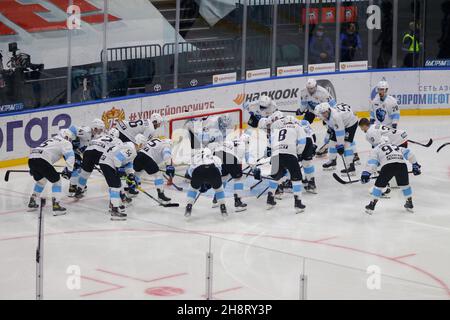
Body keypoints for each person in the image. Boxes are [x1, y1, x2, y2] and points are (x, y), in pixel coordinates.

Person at [362, 129, 422, 214]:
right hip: (401, 165)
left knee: (378, 186)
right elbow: (409, 153)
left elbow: (373, 163)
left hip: (388, 166)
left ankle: (372, 205)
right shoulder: (396, 146)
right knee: (405, 185)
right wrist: (415, 165)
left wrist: (366, 173)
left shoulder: (376, 149)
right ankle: (409, 202)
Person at [27, 129, 75, 215]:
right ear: (66, 136)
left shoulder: (52, 139)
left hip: (31, 158)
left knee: (41, 181)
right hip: (42, 159)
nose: (70, 141)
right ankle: (56, 206)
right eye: (70, 138)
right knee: (57, 181)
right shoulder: (65, 142)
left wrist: (32, 168)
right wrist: (69, 169)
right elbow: (70, 156)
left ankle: (32, 202)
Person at [266, 115, 307, 214]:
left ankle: (270, 199)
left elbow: (271, 142)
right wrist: (299, 153)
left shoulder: (279, 129)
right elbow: (302, 141)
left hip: (276, 153)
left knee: (275, 177)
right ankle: (298, 202)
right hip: (289, 153)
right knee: (296, 178)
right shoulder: (297, 127)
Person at [98, 135, 143, 220]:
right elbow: (117, 159)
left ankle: (113, 205)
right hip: (108, 163)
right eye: (142, 145)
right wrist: (120, 169)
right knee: (115, 187)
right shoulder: (131, 149)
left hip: (106, 162)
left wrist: (130, 174)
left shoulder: (128, 145)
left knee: (115, 185)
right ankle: (115, 210)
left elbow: (128, 162)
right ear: (139, 144)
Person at [74, 128, 122, 199]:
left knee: (85, 173)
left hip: (88, 151)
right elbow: (118, 153)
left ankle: (79, 189)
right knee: (111, 175)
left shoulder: (101, 136)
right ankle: (118, 193)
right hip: (101, 153)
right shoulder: (118, 140)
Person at [209, 133, 251, 212]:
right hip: (231, 157)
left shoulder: (231, 140)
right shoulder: (245, 144)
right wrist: (254, 168)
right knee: (238, 179)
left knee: (224, 178)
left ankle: (216, 199)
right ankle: (238, 202)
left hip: (218, 154)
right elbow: (248, 160)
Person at [315, 103, 358, 175]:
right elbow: (332, 128)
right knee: (332, 142)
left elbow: (340, 132)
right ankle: (332, 161)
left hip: (350, 123)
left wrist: (340, 145)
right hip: (341, 123)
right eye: (320, 114)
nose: (321, 115)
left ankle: (351, 167)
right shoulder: (325, 114)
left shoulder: (335, 117)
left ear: (328, 111)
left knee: (346, 145)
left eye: (323, 113)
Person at [184, 148, 228, 219]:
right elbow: (219, 171)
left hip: (198, 171)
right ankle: (223, 207)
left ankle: (189, 206)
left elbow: (190, 171)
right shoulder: (215, 158)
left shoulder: (194, 158)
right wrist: (210, 183)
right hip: (213, 170)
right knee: (219, 190)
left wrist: (199, 183)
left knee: (192, 189)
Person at [131, 137, 175, 202]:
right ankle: (161, 195)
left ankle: (131, 189)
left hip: (138, 156)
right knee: (158, 176)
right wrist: (169, 166)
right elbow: (167, 155)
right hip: (147, 158)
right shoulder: (166, 145)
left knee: (138, 172)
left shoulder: (157, 140)